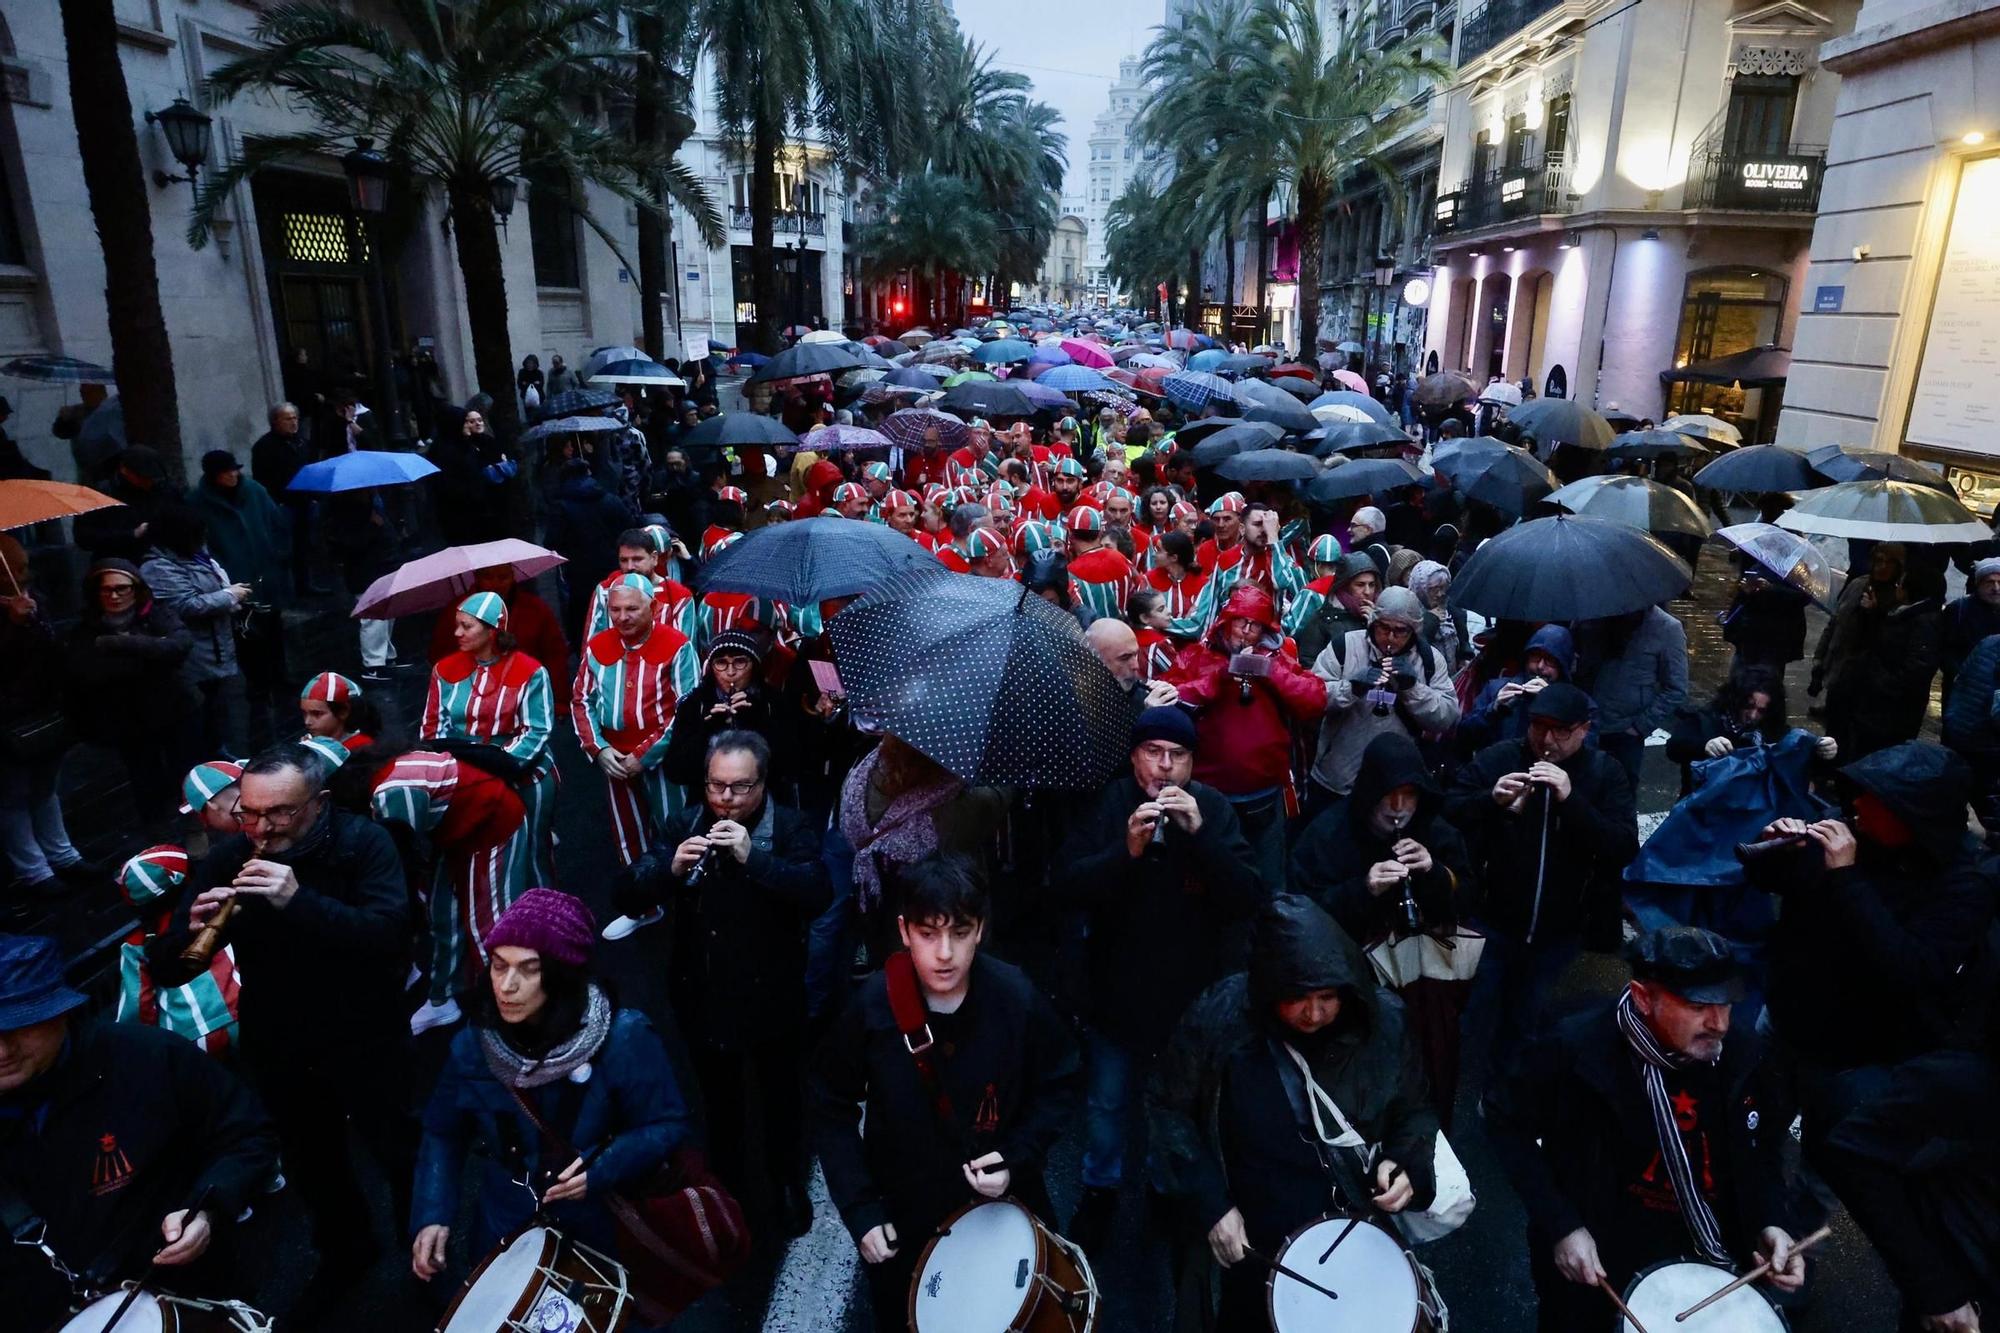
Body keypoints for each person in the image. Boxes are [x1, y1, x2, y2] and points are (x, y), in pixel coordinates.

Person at [145, 743, 414, 1312]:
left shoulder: (364, 844)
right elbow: (174, 968)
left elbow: (389, 937)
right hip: (281, 1041)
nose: (260, 830)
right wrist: (189, 932)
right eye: (248, 813)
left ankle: (425, 1254)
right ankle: (347, 1254)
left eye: (279, 814)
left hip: (365, 1033)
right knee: (312, 1160)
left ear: (318, 804)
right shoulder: (228, 858)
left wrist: (299, 900)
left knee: (399, 1150)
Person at [1486, 926, 1813, 1333]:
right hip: (1605, 1253)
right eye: (1698, 1005)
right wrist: (1562, 1226)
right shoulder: (1571, 1048)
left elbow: (1761, 1150)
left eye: (1727, 1004)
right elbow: (1505, 1123)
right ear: (1644, 998)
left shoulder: (1741, 1054)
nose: (1720, 1023)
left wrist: (1770, 1221)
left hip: (1711, 1247)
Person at [810, 855, 1081, 1332]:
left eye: (959, 932)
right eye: (928, 933)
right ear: (904, 931)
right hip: (905, 1216)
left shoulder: (1016, 997)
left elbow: (1060, 1083)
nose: (944, 954)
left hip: (1004, 1206)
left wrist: (1016, 1159)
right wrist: (861, 1210)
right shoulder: (873, 1006)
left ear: (980, 930)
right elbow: (830, 1104)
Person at [1146, 894, 1439, 1332]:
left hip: (1349, 1225)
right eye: (1298, 998)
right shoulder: (1220, 1019)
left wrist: (1405, 1161)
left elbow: (1415, 1110)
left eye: (1326, 997)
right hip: (1251, 1229)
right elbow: (1168, 1111)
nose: (1315, 1013)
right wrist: (1211, 1205)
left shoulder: (1383, 1025)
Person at [1053, 707, 1265, 1248]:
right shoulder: (1109, 803)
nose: (1165, 768)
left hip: (1189, 1000)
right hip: (1115, 992)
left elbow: (1248, 896)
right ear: (1134, 757)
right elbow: (1067, 885)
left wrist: (1200, 839)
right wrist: (1124, 853)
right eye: (1154, 753)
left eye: (1178, 756)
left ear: (1193, 764)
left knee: (1174, 1107)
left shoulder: (1212, 809)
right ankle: (1100, 1188)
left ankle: (1163, 1188)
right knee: (1106, 1104)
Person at [411, 890, 690, 1295]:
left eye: (528, 970)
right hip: (509, 1221)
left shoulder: (624, 1037)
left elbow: (667, 1123)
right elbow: (443, 1130)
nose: (507, 986)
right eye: (498, 965)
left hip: (602, 1224)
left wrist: (603, 1168)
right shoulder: (475, 1045)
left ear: (561, 977)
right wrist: (433, 1212)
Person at [0, 935, 281, 1329]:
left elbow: (245, 1132)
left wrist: (208, 1210)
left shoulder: (146, 1058)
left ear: (61, 1011)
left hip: (186, 1297)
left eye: (18, 1024)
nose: (1, 1051)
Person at [615, 732, 831, 1234]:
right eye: (716, 786)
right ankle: (728, 1190)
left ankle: (784, 1180)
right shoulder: (685, 823)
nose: (725, 800)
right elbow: (625, 892)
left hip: (772, 996)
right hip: (704, 994)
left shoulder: (791, 827)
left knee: (781, 1095)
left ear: (763, 784)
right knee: (720, 1100)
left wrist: (754, 858)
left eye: (740, 788)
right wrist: (668, 868)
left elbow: (817, 890)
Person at [1446, 683, 1639, 1093]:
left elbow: (1621, 846)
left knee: (1529, 1017)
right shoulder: (1502, 758)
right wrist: (1490, 801)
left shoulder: (1605, 773)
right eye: (1538, 726)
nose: (1546, 741)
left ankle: (1508, 1093)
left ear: (1584, 729)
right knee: (1475, 1010)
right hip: (1492, 920)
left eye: (1560, 731)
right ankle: (1457, 1089)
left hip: (1560, 928)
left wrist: (1571, 801)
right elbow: (1449, 810)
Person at [1169, 583, 1327, 894]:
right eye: (1240, 622)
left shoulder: (1277, 658)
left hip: (1264, 795)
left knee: (1268, 883)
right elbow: (1169, 697)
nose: (1246, 632)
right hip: (1210, 795)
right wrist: (1219, 678)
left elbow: (1315, 700)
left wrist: (1269, 672)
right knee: (1210, 876)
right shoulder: (1198, 656)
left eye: (1255, 626)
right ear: (1225, 622)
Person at [423, 592, 559, 884]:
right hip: (467, 777)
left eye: (466, 626)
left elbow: (537, 729)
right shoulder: (443, 670)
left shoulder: (531, 671)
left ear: (492, 629)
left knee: (533, 852)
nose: (457, 632)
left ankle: (543, 916)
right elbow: (433, 729)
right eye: (456, 624)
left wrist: (502, 762)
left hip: (524, 775)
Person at [569, 573, 699, 872]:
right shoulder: (597, 647)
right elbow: (581, 700)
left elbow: (687, 709)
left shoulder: (677, 646)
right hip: (613, 758)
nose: (622, 617)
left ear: (652, 608)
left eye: (632, 609)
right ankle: (644, 903)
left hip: (665, 760)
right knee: (628, 836)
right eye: (615, 610)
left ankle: (682, 900)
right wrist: (598, 749)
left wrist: (644, 755)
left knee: (674, 829)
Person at [65, 559, 197, 823]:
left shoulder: (157, 614)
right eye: (107, 590)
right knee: (143, 775)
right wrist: (150, 650)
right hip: (126, 717)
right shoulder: (87, 627)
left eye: (121, 589)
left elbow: (179, 644)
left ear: (135, 589)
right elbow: (85, 669)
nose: (114, 596)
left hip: (172, 708)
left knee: (183, 770)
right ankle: (156, 828)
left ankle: (194, 825)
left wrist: (120, 645)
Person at [1, 542, 93, 904]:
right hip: (9, 717)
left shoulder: (31, 597)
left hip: (44, 708)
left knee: (44, 788)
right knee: (13, 796)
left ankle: (62, 854)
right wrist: (13, 626)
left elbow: (52, 651)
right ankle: (33, 870)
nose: (23, 575)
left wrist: (34, 624)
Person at [1308, 587, 1460, 802]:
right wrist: (1351, 688)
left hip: (1394, 785)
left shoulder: (1430, 661)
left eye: (1400, 631)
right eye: (1383, 628)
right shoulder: (1344, 646)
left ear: (1413, 631)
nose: (1390, 637)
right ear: (1373, 623)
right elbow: (1313, 697)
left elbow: (1446, 717)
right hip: (1337, 776)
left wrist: (1413, 688)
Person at [188, 451, 293, 749]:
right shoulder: (199, 501)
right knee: (247, 633)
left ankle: (279, 677)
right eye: (225, 472)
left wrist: (279, 555)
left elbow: (274, 522)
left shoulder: (254, 491)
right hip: (235, 576)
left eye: (234, 470)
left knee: (273, 627)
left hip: (265, 571)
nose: (232, 476)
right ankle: (258, 684)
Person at [1664, 666, 1834, 795]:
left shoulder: (1772, 729)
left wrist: (1821, 752)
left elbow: (1794, 755)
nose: (1753, 716)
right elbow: (1675, 747)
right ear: (1736, 700)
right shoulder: (1708, 719)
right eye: (1749, 706)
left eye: (1761, 710)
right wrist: (1704, 745)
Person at [1577, 605, 1689, 788]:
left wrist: (1639, 726)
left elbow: (1677, 688)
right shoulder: (1592, 618)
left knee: (1621, 795)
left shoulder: (1666, 628)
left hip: (1625, 732)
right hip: (1585, 724)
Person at [662, 627, 781, 795]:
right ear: (711, 667)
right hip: (709, 802)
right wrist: (707, 732)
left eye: (740, 662)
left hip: (765, 799)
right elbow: (676, 773)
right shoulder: (695, 704)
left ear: (754, 665)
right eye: (721, 663)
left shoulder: (773, 702)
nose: (730, 672)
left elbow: (790, 768)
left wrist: (759, 723)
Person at [424, 562, 570, 680]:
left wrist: (558, 705)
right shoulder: (455, 612)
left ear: (513, 577)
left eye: (502, 577)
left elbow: (555, 657)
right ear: (476, 577)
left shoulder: (535, 609)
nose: (495, 584)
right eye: (488, 577)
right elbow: (440, 658)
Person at [1458, 624, 1578, 753]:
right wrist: (1493, 709)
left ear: (1562, 667)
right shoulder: (1496, 689)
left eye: (1550, 661)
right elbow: (1463, 737)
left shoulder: (1577, 702)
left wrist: (1553, 703)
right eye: (1535, 657)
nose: (1540, 666)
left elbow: (1585, 751)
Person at [251, 401, 320, 596]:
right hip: (283, 504)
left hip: (305, 501)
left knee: (305, 545)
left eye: (295, 418)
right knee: (284, 549)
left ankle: (306, 584)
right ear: (275, 421)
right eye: (288, 419)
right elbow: (263, 478)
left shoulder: (302, 443)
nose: (293, 422)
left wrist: (314, 496)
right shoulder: (264, 447)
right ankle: (286, 589)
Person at [429, 404, 521, 545]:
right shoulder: (446, 452)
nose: (468, 426)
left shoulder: (465, 446)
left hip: (481, 514)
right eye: (466, 422)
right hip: (463, 518)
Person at [75, 445, 173, 564]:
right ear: (125, 470)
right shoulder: (97, 494)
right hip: (116, 562)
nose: (148, 482)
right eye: (142, 477)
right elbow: (84, 537)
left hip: (161, 559)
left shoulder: (161, 490)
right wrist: (131, 534)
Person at [1284, 547, 1377, 671]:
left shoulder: (1379, 618)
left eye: (1372, 585)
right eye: (1360, 585)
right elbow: (1309, 668)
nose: (1367, 591)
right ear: (1345, 586)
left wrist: (1376, 626)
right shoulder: (1322, 622)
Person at [1722, 557, 1813, 678]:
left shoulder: (1797, 567)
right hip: (1749, 633)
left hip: (1775, 637)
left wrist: (1771, 589)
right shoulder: (1761, 560)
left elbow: (1804, 596)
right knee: (1739, 678)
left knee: (1767, 682)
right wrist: (1744, 589)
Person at [1941, 556, 2000, 707]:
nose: (1996, 588)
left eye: (1999, 582)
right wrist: (1959, 675)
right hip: (1961, 690)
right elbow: (1944, 649)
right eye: (1990, 582)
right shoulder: (1959, 609)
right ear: (1979, 584)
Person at [297, 671, 381, 751]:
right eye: (304, 713)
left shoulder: (363, 750)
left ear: (343, 712)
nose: (307, 722)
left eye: (317, 714)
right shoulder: (312, 742)